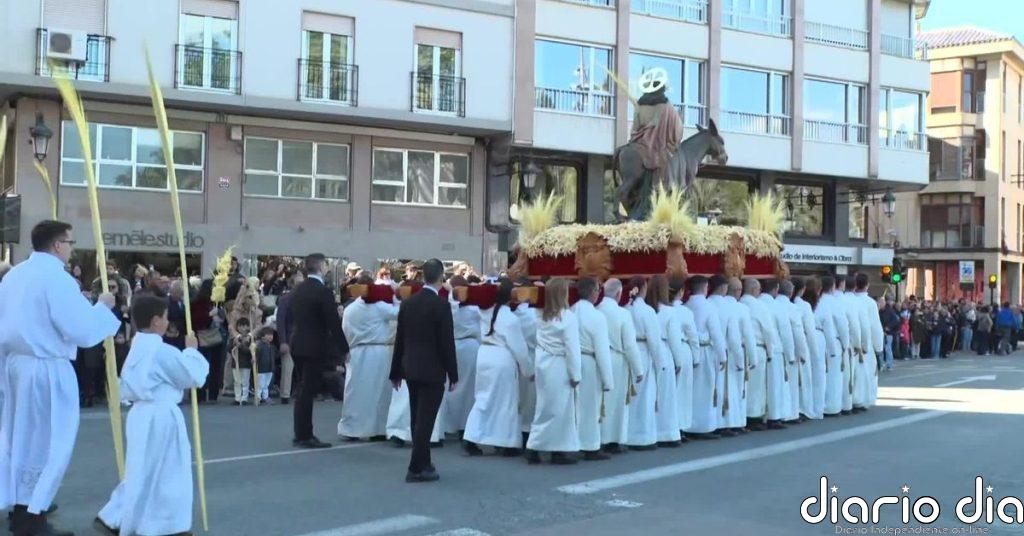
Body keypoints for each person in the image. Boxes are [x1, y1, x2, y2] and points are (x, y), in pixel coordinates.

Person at [0, 220, 121, 535]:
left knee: (20, 439)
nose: (71, 249)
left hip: (17, 366)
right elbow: (80, 329)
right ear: (57, 245)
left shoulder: (13, 276)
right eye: (70, 242)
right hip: (46, 368)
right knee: (48, 442)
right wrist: (103, 307)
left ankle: (22, 506)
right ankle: (31, 517)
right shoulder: (57, 279)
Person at [94, 296, 209, 536]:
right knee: (168, 472)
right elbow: (191, 376)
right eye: (165, 317)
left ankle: (121, 515)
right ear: (156, 320)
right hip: (160, 416)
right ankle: (165, 524)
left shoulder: (138, 346)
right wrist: (191, 351)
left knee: (143, 470)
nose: (167, 322)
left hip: (141, 414)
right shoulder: (160, 351)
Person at [389, 259, 457, 482]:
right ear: (441, 277)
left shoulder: (408, 303)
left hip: (410, 366)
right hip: (432, 368)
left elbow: (400, 339)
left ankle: (424, 462)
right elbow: (446, 343)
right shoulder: (441, 305)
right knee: (426, 419)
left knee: (416, 417)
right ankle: (416, 466)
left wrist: (395, 371)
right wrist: (453, 373)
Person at [289, 253, 350, 449]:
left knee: (302, 389)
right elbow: (333, 322)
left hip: (297, 343)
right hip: (314, 346)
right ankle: (305, 435)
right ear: (321, 267)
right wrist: (344, 348)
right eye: (326, 265)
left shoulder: (298, 289)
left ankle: (301, 432)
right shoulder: (323, 292)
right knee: (307, 390)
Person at [463, 280, 530, 456]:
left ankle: (471, 437)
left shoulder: (485, 311)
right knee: (505, 402)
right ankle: (505, 443)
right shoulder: (510, 319)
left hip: (484, 354)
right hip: (502, 358)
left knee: (483, 398)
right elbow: (519, 348)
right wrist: (528, 369)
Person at [525, 278, 582, 464]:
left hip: (543, 363)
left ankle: (540, 446)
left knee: (545, 406)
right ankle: (553, 449)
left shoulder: (540, 315)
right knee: (560, 409)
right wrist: (576, 374)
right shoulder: (568, 317)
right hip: (559, 366)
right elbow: (572, 349)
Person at [338, 276, 399, 440]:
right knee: (379, 392)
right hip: (377, 351)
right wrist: (395, 296)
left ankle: (351, 428)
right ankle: (378, 429)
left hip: (356, 351)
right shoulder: (379, 306)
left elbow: (345, 331)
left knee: (355, 392)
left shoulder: (350, 309)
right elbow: (400, 312)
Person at [596, 279, 644, 454]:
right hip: (617, 360)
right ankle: (613, 440)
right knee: (616, 402)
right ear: (619, 293)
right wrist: (638, 369)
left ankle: (598, 438)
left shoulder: (596, 310)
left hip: (598, 359)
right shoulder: (623, 314)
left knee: (600, 401)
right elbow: (629, 345)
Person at [572, 277, 614, 460]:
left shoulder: (571, 310)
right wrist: (608, 380)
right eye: (597, 290)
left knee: (575, 406)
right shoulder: (597, 316)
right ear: (592, 292)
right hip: (589, 362)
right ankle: (590, 446)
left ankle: (573, 443)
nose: (598, 293)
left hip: (573, 361)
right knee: (590, 407)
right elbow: (602, 350)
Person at [685, 276, 727, 438]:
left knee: (692, 389)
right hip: (706, 352)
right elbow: (716, 333)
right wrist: (722, 356)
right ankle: (703, 427)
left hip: (691, 351)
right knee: (706, 389)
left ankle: (689, 425)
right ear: (705, 287)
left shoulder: (686, 305)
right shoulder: (709, 307)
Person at [706, 275, 745, 436]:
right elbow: (734, 338)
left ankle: (711, 423)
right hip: (724, 353)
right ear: (723, 287)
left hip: (708, 352)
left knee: (710, 390)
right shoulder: (728, 307)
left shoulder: (707, 304)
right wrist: (740, 361)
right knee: (725, 389)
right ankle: (725, 423)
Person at [624, 277, 659, 449]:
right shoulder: (647, 311)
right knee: (644, 396)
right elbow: (654, 339)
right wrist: (660, 362)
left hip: (627, 354)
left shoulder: (625, 309)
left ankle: (627, 435)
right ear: (643, 288)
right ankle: (642, 437)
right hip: (644, 352)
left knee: (629, 397)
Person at [445, 276, 481, 435]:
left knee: (451, 386)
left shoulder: (448, 307)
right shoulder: (474, 309)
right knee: (468, 389)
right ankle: (464, 425)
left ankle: (449, 424)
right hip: (470, 346)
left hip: (452, 345)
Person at [739, 278, 777, 431]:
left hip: (741, 350)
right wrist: (770, 351)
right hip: (758, 348)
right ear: (754, 289)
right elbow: (768, 331)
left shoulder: (739, 304)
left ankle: (741, 416)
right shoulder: (759, 306)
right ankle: (753, 417)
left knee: (742, 386)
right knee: (756, 387)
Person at [760, 279, 794, 427]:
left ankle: (760, 416)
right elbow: (785, 333)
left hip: (760, 349)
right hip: (775, 350)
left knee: (760, 387)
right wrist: (790, 355)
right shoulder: (777, 306)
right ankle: (774, 416)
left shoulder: (757, 303)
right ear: (776, 289)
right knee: (775, 386)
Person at [779, 280, 810, 422]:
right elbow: (797, 333)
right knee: (791, 385)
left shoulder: (771, 305)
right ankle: (791, 413)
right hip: (789, 350)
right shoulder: (792, 308)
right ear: (791, 293)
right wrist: (802, 353)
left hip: (775, 350)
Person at [796, 277, 827, 420]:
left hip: (799, 340)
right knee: (815, 377)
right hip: (812, 339)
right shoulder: (809, 306)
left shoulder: (797, 303)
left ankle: (801, 407)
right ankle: (813, 408)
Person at [275, 272, 303, 404]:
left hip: (304, 337)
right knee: (287, 367)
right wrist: (283, 341)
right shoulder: (285, 299)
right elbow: (280, 321)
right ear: (292, 284)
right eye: (299, 282)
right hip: (290, 338)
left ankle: (301, 392)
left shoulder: (307, 298)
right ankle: (285, 394)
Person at [229, 318, 254, 406]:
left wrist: (241, 346)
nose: (243, 328)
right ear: (237, 327)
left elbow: (250, 351)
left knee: (245, 382)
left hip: (246, 364)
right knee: (237, 381)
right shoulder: (234, 338)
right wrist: (234, 344)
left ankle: (244, 398)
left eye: (245, 326)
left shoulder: (250, 339)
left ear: (248, 327)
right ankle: (237, 398)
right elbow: (228, 349)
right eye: (240, 326)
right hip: (236, 363)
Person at [254, 327, 277, 404]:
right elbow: (256, 356)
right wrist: (254, 360)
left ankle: (265, 397)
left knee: (266, 384)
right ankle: (258, 397)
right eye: (268, 334)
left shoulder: (272, 347)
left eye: (271, 335)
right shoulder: (259, 346)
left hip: (270, 368)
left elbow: (276, 356)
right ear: (262, 336)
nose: (270, 336)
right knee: (260, 384)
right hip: (261, 368)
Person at [880, 297, 901, 371]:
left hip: (888, 333)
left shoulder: (890, 311)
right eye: (879, 303)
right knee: (880, 349)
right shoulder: (879, 311)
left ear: (884, 303)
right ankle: (881, 364)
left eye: (881, 303)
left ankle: (889, 364)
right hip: (881, 332)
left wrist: (888, 327)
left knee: (887, 348)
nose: (880, 304)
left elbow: (895, 320)